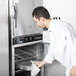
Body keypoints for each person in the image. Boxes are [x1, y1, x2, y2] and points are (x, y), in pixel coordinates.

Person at [32, 6, 76, 76]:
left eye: (36, 22)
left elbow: (73, 43)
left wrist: (74, 65)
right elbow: (53, 48)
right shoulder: (53, 27)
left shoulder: (59, 27)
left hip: (73, 67)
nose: (37, 25)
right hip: (70, 66)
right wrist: (42, 63)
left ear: (42, 19)